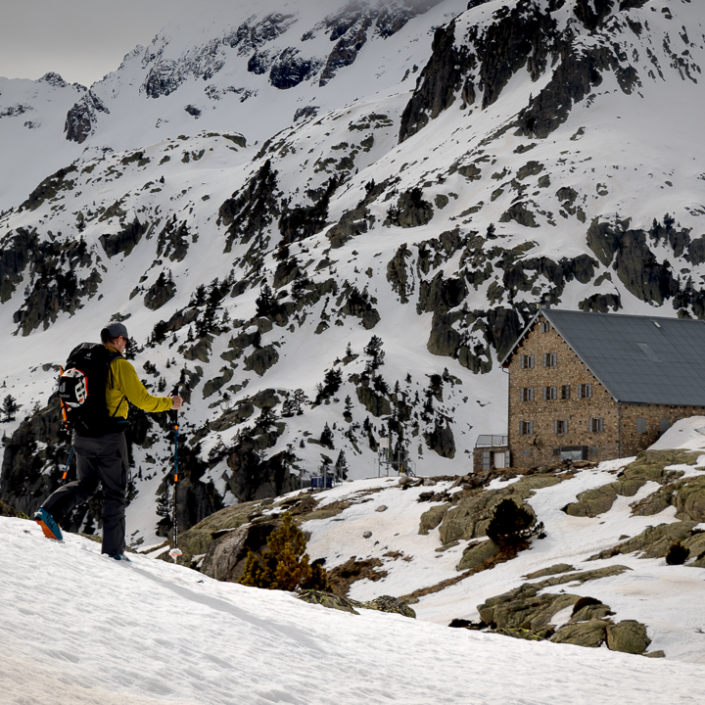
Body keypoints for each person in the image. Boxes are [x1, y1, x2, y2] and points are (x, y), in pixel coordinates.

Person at [34, 322, 183, 561]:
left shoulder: (83, 357)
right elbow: (143, 401)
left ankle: (48, 511)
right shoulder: (119, 365)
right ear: (119, 339)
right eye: (125, 340)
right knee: (114, 493)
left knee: (86, 484)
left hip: (81, 434)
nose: (126, 344)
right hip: (109, 438)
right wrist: (170, 403)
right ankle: (114, 553)